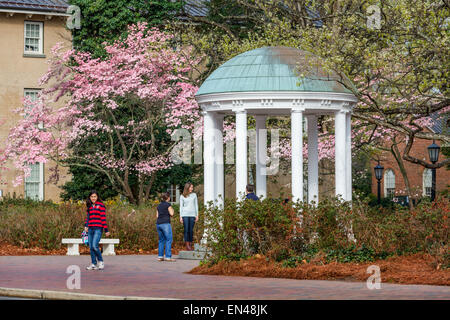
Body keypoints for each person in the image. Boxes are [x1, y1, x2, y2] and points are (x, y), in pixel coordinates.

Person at [84, 191, 110, 270]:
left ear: (97, 197)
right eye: (92, 197)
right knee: (91, 247)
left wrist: (106, 230)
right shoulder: (90, 206)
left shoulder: (101, 206)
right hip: (90, 229)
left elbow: (103, 218)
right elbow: (88, 218)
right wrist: (86, 226)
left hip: (98, 229)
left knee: (95, 246)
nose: (93, 198)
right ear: (90, 197)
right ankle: (93, 264)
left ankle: (101, 261)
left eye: (95, 196)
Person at [156, 192, 176, 262]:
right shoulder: (168, 205)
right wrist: (172, 209)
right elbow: (172, 213)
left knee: (161, 240)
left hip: (158, 224)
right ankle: (168, 256)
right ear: (168, 198)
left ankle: (160, 256)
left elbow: (157, 216)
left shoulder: (158, 206)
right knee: (168, 240)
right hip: (165, 224)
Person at [179, 182, 198, 251]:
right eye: (191, 187)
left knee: (191, 230)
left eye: (192, 187)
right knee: (186, 230)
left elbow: (196, 205)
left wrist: (197, 215)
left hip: (192, 215)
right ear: (187, 187)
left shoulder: (194, 195)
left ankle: (190, 244)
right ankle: (187, 245)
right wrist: (180, 216)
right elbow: (181, 207)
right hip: (185, 215)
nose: (192, 189)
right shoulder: (182, 196)